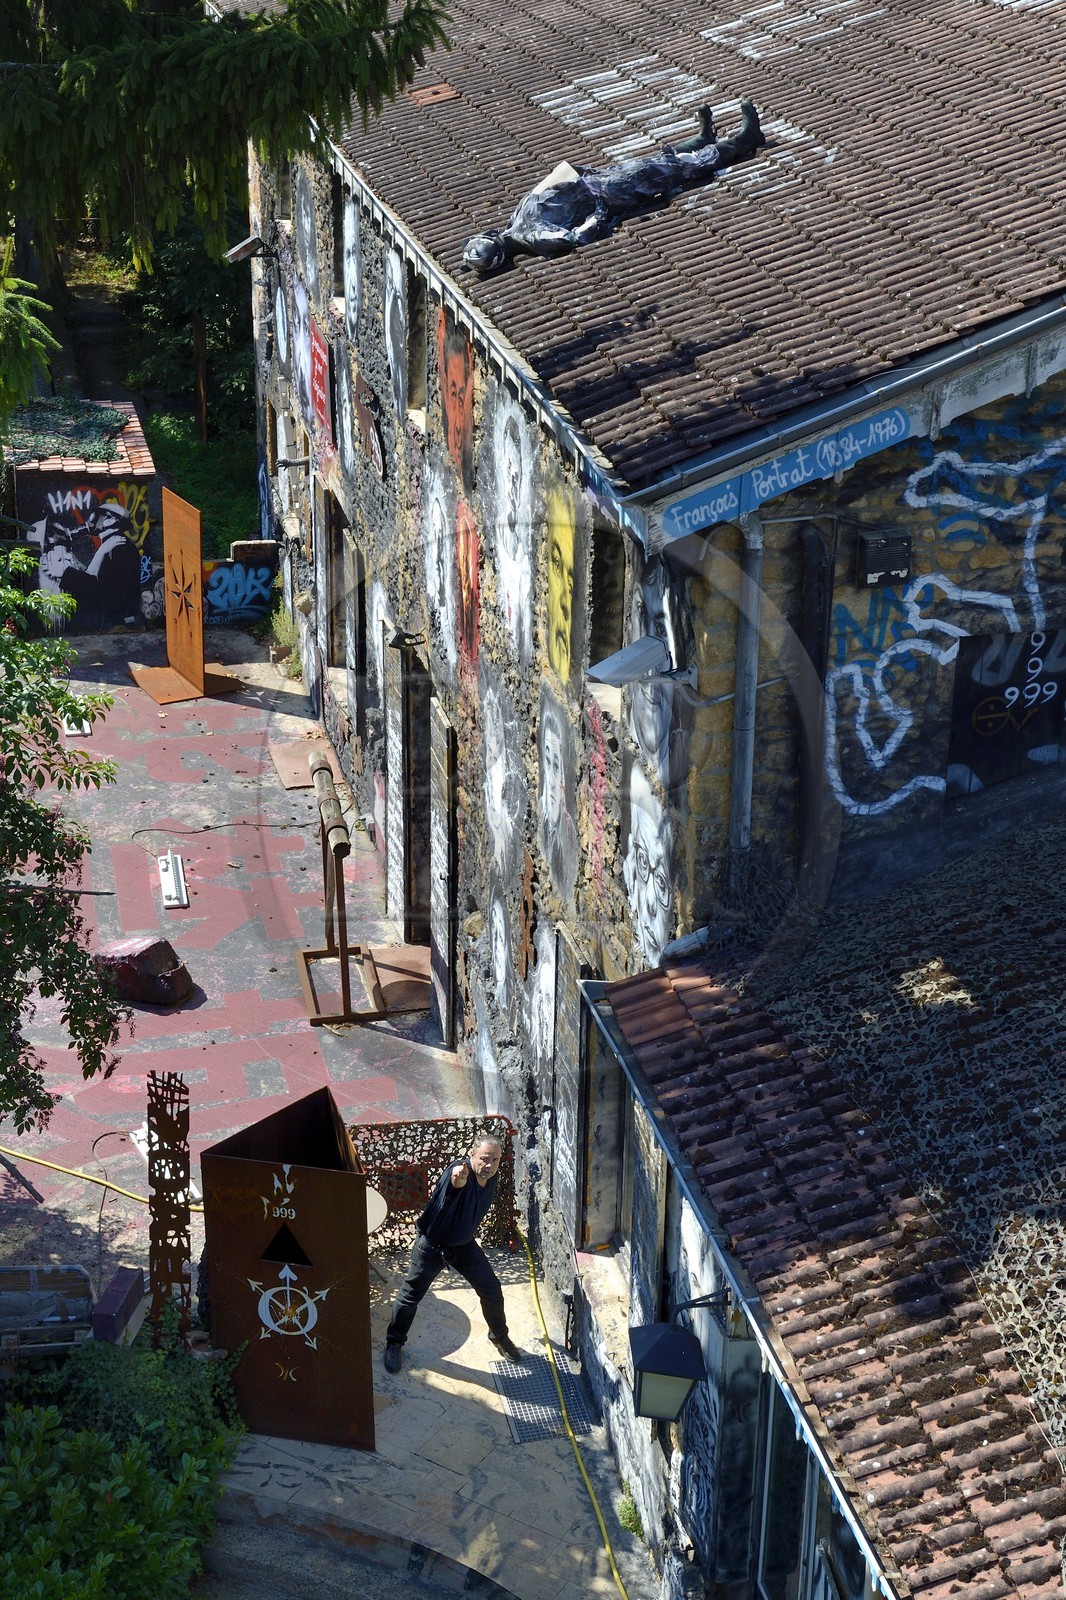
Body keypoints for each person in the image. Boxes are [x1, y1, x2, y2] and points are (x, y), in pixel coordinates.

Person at [463, 101, 765, 274]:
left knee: (654, 162)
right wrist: (598, 209)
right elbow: (573, 238)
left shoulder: (515, 225)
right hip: (607, 192)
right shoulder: (533, 236)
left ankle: (702, 139)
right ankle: (745, 140)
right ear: (495, 245)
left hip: (595, 180)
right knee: (668, 170)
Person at [383, 1136, 524, 1372]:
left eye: (495, 1160)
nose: (489, 1165)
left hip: (464, 1246)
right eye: (484, 1159)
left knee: (491, 1290)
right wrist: (457, 1179)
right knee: (409, 1297)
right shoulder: (459, 1173)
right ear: (471, 1155)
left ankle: (499, 1336)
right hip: (432, 1247)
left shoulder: (491, 1176)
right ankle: (394, 1343)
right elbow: (454, 1183)